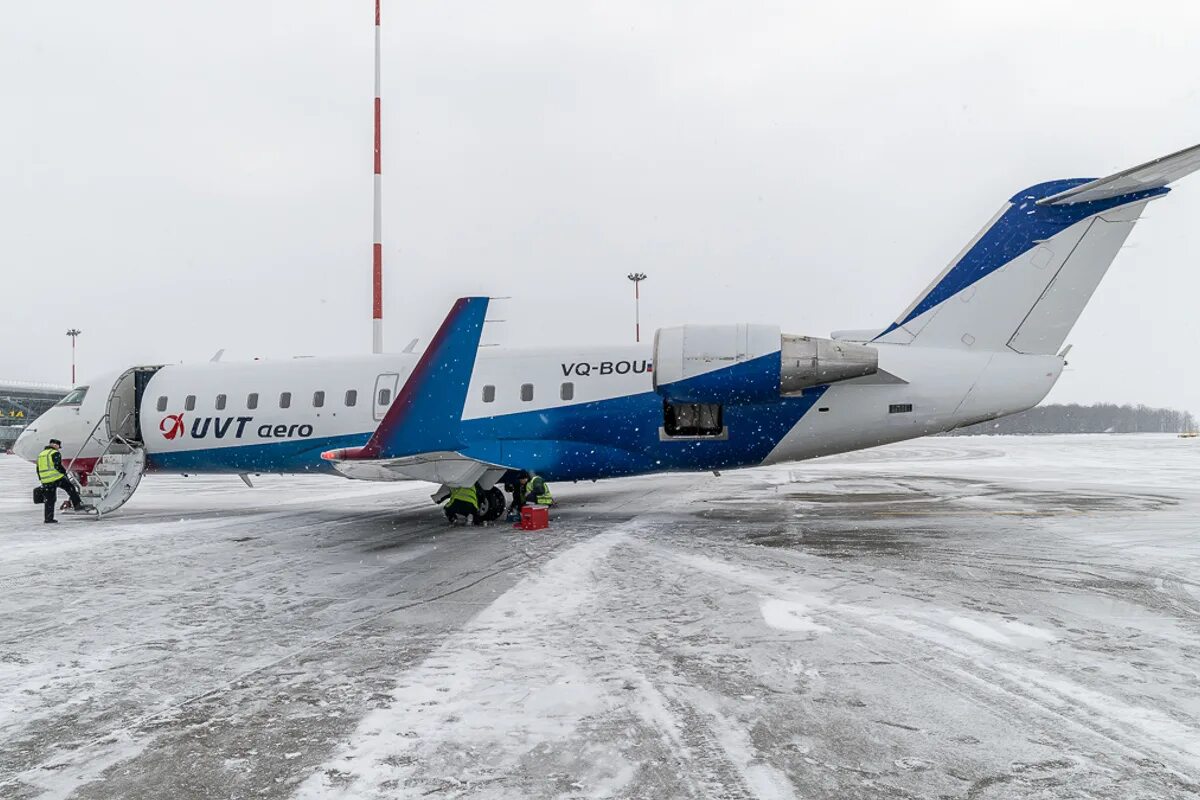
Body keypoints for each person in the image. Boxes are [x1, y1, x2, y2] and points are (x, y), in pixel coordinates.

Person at [36, 439, 85, 524]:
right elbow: (58, 466)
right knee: (71, 488)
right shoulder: (55, 453)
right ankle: (77, 505)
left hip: (46, 480)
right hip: (56, 478)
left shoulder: (41, 454)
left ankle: (48, 519)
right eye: (58, 446)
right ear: (55, 445)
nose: (58, 448)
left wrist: (41, 478)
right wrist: (64, 473)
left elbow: (38, 468)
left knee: (50, 500)